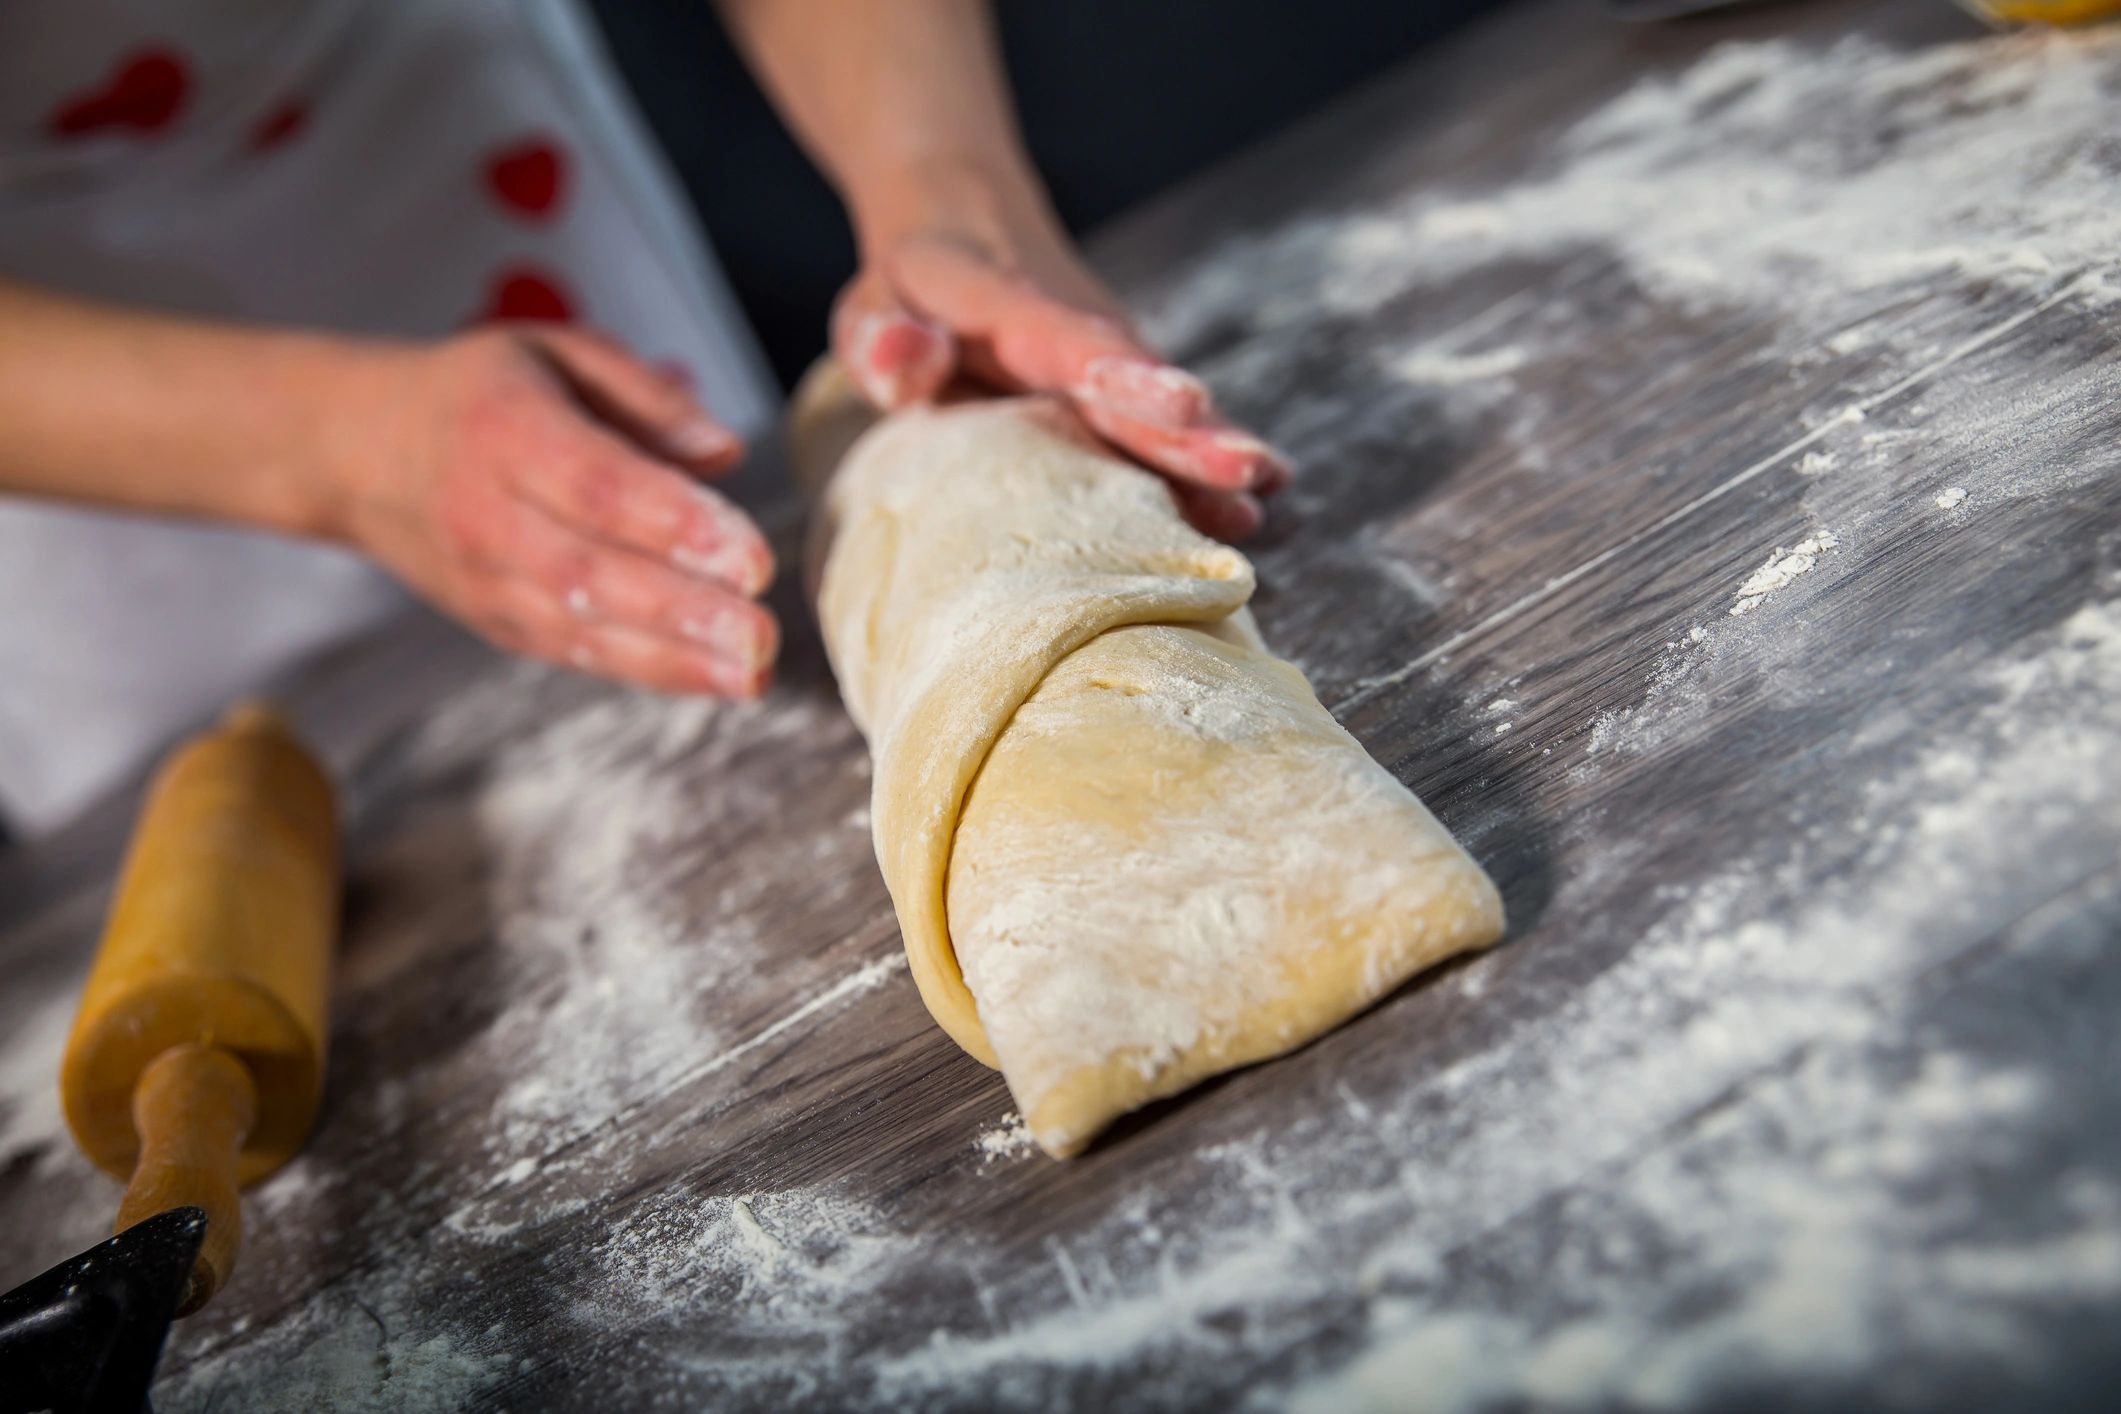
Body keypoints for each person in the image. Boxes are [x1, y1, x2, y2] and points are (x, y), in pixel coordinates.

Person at [0, 0, 1288, 839]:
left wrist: (942, 189)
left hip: (434, 112)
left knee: (741, 613)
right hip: (99, 431)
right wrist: (343, 447)